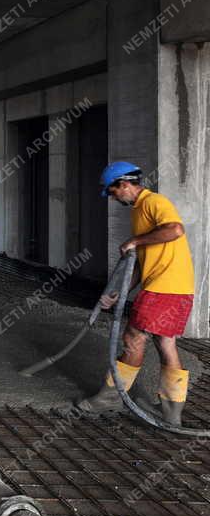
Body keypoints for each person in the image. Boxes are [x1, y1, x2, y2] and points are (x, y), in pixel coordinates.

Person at [76, 162, 195, 425]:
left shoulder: (154, 201)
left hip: (165, 287)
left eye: (112, 191)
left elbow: (175, 230)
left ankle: (110, 397)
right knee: (165, 342)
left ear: (124, 184)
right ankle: (171, 409)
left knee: (133, 337)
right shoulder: (139, 211)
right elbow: (142, 262)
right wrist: (121, 291)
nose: (113, 197)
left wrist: (135, 240)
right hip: (174, 287)